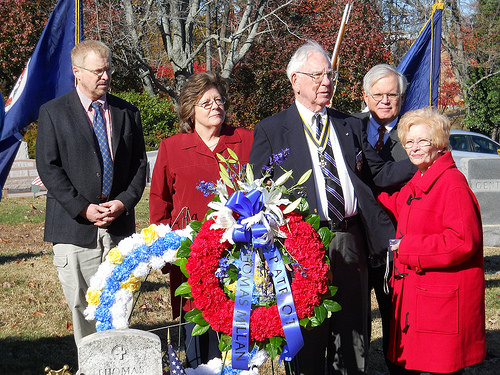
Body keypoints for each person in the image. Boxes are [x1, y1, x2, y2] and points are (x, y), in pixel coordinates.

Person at [249, 40, 415, 375]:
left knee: (353, 327)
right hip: (302, 242)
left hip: (350, 238)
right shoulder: (271, 129)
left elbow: (378, 173)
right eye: (318, 75)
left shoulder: (348, 124)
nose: (327, 82)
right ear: (295, 80)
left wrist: (423, 159)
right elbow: (257, 190)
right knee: (309, 327)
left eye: (330, 75)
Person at [36, 40, 147, 345]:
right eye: (98, 71)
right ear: (77, 72)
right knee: (83, 306)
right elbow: (49, 168)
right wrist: (81, 208)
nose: (105, 76)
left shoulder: (127, 112)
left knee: (119, 304)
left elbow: (139, 165)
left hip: (118, 226)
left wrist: (123, 203)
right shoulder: (53, 113)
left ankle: (119, 361)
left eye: (108, 69)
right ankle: (91, 363)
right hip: (75, 229)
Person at [149, 71, 254, 367]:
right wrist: (165, 249)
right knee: (197, 333)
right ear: (189, 108)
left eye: (219, 100)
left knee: (238, 332)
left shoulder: (244, 140)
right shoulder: (172, 147)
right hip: (191, 258)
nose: (215, 106)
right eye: (206, 102)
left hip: (239, 255)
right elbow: (159, 202)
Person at [377, 107, 486, 375]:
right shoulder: (422, 177)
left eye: (422, 141)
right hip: (423, 298)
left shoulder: (452, 183)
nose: (414, 148)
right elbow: (398, 204)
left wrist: (408, 248)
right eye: (409, 142)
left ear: (438, 143)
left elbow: (463, 241)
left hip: (440, 302)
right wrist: (363, 195)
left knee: (440, 369)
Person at [354, 64, 410, 374]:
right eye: (378, 94)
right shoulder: (350, 128)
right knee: (354, 318)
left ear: (402, 97)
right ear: (365, 95)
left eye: (392, 94)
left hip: (398, 243)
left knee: (396, 318)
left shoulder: (415, 133)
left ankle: (398, 367)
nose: (385, 100)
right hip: (356, 240)